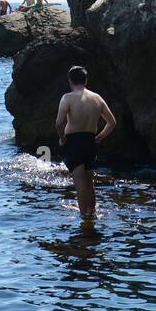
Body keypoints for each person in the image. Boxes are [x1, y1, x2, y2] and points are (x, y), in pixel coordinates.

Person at [55, 65, 118, 220]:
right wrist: (99, 138)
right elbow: (112, 123)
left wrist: (62, 138)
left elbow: (59, 123)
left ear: (70, 81)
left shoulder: (67, 98)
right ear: (86, 80)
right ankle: (92, 213)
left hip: (74, 141)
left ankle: (84, 217)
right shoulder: (97, 98)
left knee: (80, 183)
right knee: (89, 181)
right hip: (90, 141)